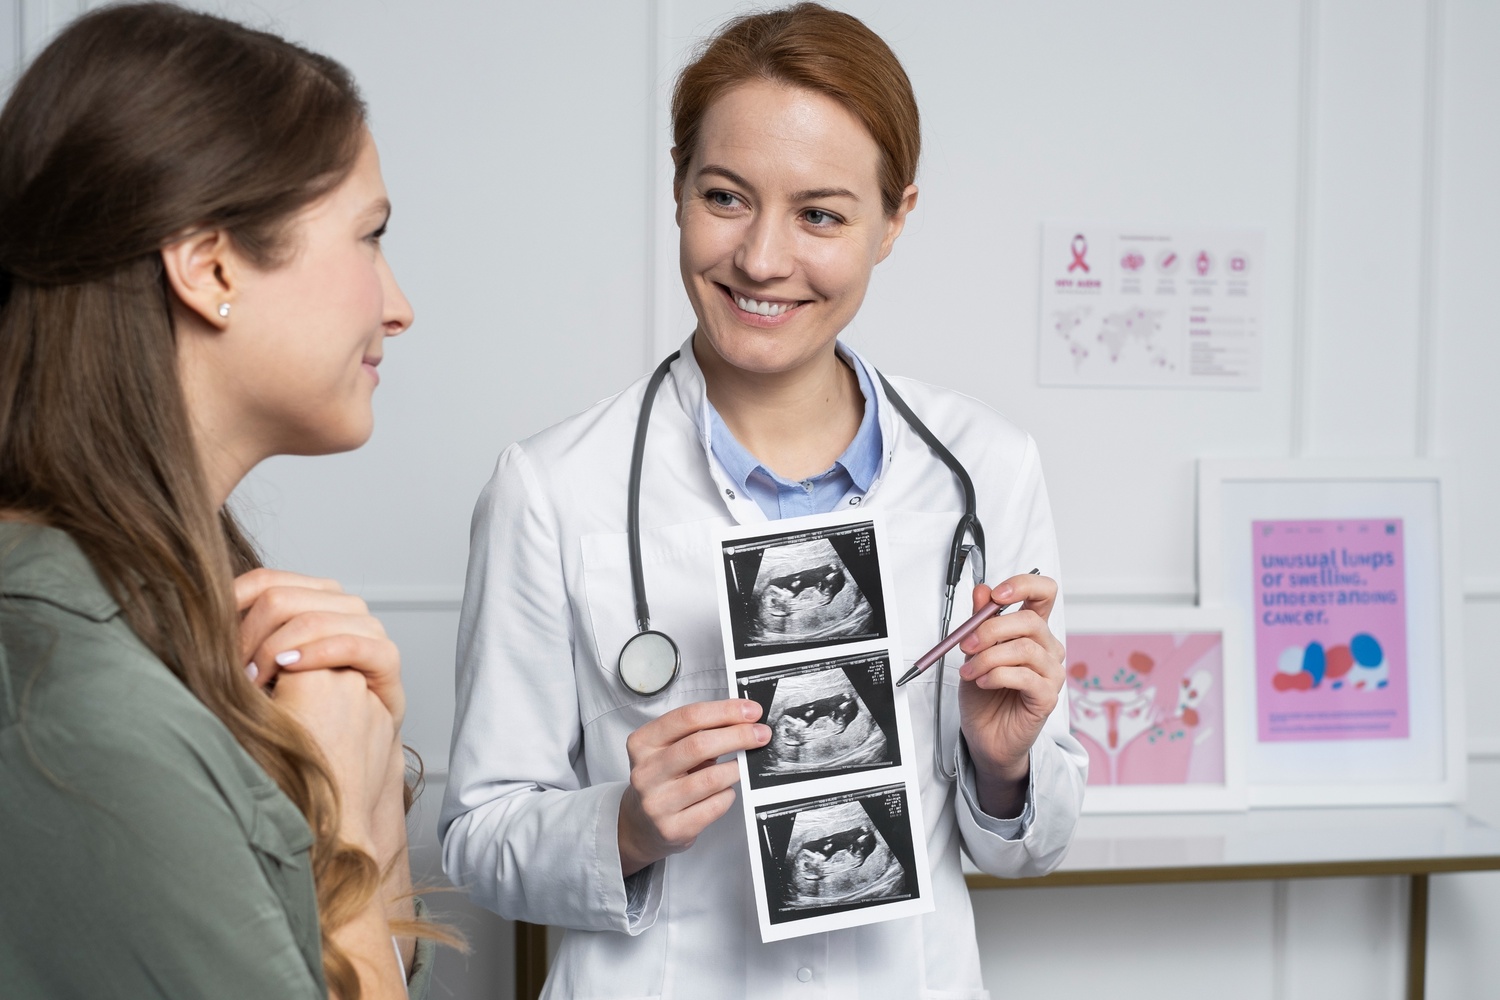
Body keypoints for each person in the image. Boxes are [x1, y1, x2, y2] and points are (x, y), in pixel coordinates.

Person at [441, 4, 1087, 997]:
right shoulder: (551, 487)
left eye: (821, 214)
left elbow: (1031, 844)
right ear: (677, 187)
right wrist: (624, 825)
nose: (762, 259)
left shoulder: (986, 469)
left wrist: (1003, 767)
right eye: (726, 197)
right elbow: (478, 836)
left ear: (894, 219)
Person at [0, 5, 448, 997]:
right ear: (209, 269)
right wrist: (336, 817)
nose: (399, 307)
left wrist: (368, 797)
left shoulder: (147, 617)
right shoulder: (74, 704)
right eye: (369, 238)